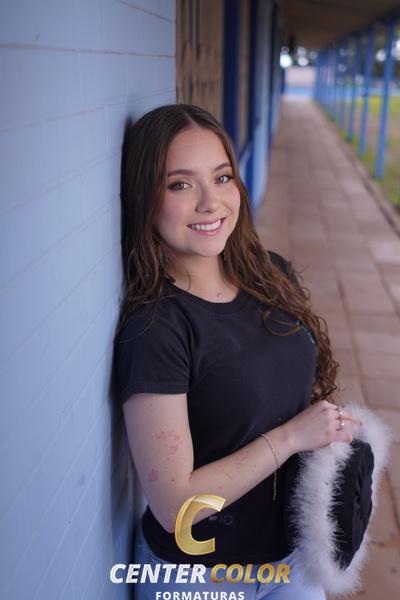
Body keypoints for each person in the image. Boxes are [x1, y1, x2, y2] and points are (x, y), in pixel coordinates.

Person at [112, 104, 362, 599]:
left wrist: (325, 427)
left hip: (292, 559)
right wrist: (291, 437)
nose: (210, 202)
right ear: (145, 198)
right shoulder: (157, 330)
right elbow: (176, 507)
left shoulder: (269, 273)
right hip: (200, 576)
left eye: (222, 177)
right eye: (180, 184)